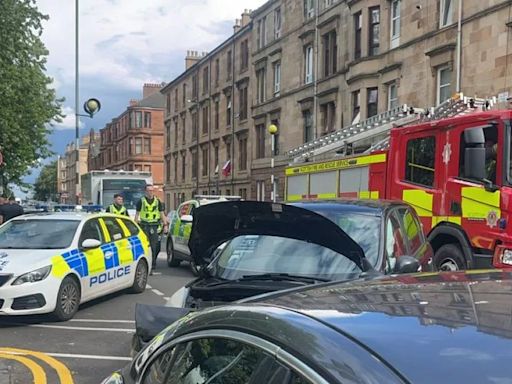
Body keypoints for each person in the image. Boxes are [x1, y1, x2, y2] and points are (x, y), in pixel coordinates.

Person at [134, 185, 168, 272]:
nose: (150, 192)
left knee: (155, 246)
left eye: (152, 190)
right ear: (145, 191)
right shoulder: (141, 201)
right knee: (146, 246)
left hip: (155, 226)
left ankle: (153, 263)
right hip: (144, 226)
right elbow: (137, 215)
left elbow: (161, 214)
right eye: (149, 190)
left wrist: (165, 225)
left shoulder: (157, 202)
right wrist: (135, 226)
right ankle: (149, 265)